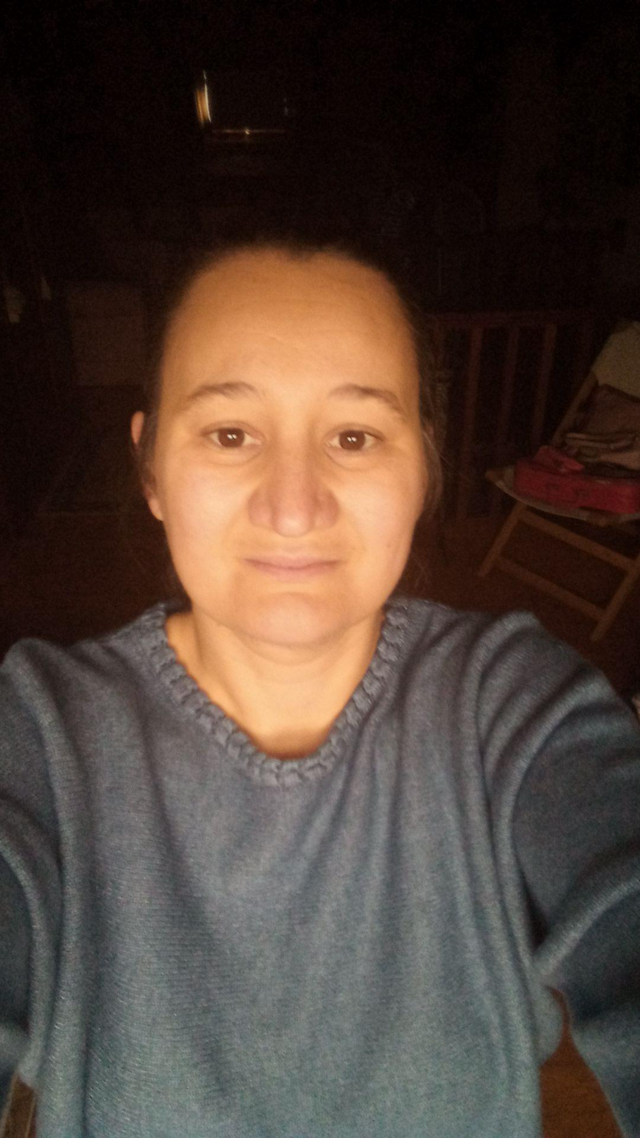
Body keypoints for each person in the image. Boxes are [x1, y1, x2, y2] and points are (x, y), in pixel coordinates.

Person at [1, 232, 639, 1138]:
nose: (293, 507)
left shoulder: (515, 706)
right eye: (230, 434)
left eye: (354, 436)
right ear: (151, 471)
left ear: (422, 468)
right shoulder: (38, 733)